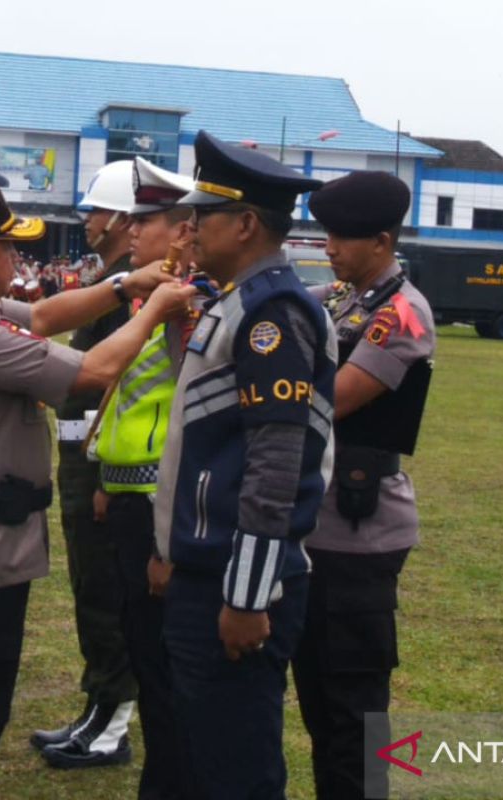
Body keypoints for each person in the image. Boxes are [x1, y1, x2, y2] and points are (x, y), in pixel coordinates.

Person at [0, 180, 195, 799]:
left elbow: (41, 315)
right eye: (8, 249)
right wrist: (155, 307)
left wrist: (124, 286)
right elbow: (95, 371)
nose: (18, 260)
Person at [154, 130, 335, 799]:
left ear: (248, 223)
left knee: (238, 767)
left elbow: (274, 464)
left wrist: (248, 595)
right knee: (207, 752)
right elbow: (202, 431)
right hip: (207, 566)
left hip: (239, 581)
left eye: (204, 214)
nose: (190, 226)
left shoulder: (273, 314)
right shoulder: (234, 301)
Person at [294, 172, 436, 800]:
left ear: (381, 240)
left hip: (360, 533)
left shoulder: (399, 313)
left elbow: (336, 398)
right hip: (319, 525)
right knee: (321, 705)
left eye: (341, 238)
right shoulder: (344, 298)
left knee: (354, 711)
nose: (328, 247)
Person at [89, 157, 209, 796]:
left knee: (164, 665)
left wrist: (165, 539)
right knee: (142, 646)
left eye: (148, 221)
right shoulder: (149, 291)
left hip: (162, 502)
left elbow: (192, 408)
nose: (131, 233)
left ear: (185, 230)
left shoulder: (193, 300)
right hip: (129, 490)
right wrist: (106, 477)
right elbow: (128, 388)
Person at [30, 160, 140, 768]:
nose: (90, 221)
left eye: (97, 211)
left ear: (123, 220)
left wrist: (98, 472)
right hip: (81, 456)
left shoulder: (127, 288)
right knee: (90, 589)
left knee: (105, 593)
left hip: (98, 463)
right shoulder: (113, 279)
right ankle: (99, 707)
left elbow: (115, 384)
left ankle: (112, 722)